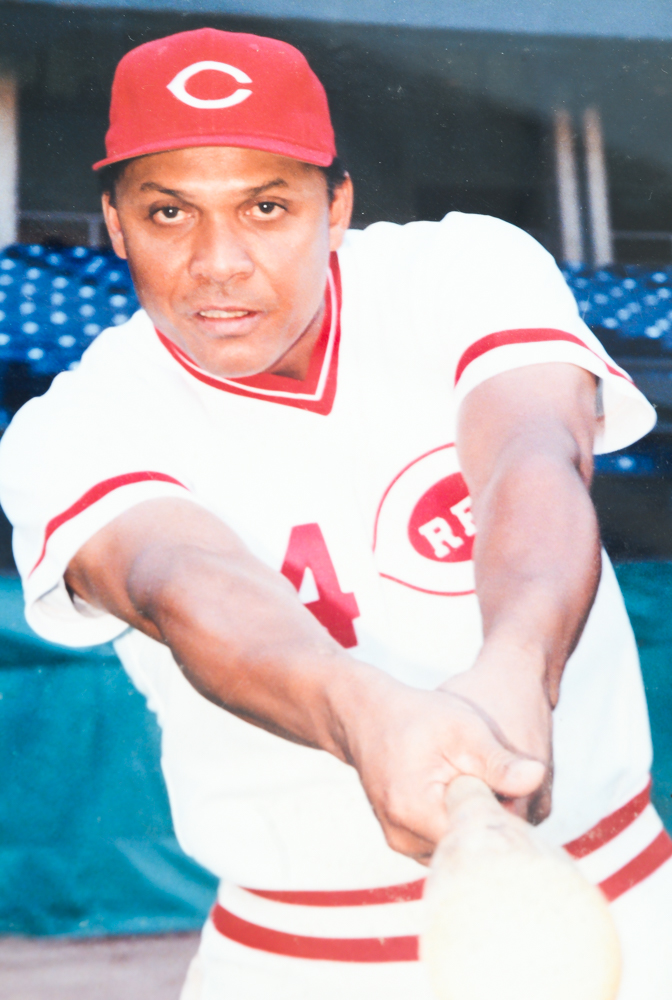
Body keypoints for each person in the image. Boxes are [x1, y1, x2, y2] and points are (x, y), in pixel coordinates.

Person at [0, 27, 671, 1000]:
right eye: (168, 211)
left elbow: (535, 452)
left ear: (337, 204)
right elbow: (183, 584)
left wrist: (522, 659)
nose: (218, 261)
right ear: (113, 221)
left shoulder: (458, 270)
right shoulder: (76, 423)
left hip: (617, 896)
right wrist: (361, 714)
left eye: (266, 206)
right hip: (304, 954)